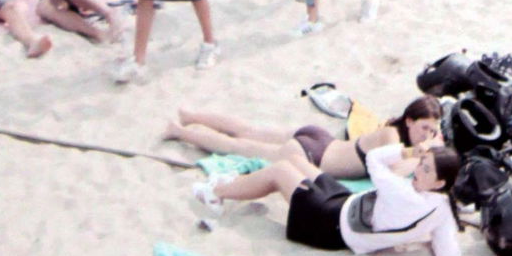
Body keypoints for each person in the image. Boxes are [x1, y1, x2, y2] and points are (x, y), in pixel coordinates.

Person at [195, 135, 462, 256]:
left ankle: (216, 193)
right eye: (421, 163)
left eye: (426, 169)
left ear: (439, 183)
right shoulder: (442, 208)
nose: (418, 170)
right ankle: (239, 185)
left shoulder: (405, 194)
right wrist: (421, 239)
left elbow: (374, 159)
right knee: (295, 160)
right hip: (347, 204)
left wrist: (410, 152)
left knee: (281, 171)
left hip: (330, 224)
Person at [169, 93, 441, 178]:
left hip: (320, 139)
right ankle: (180, 130)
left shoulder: (391, 130)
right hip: (314, 155)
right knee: (239, 145)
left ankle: (190, 116)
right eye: (424, 127)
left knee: (248, 132)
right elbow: (394, 172)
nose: (426, 134)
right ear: (409, 121)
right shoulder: (391, 136)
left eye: (432, 130)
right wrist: (424, 153)